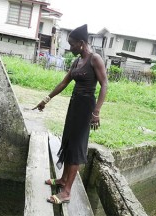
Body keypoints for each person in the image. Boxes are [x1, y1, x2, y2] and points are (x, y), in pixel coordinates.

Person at [32, 24, 108, 204]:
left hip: (86, 108)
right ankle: (63, 179)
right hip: (74, 105)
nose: (70, 47)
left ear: (81, 43)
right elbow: (64, 83)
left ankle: (66, 192)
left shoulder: (94, 59)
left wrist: (96, 112)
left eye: (72, 44)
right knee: (68, 141)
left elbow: (105, 84)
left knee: (76, 147)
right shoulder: (76, 61)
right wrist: (46, 99)